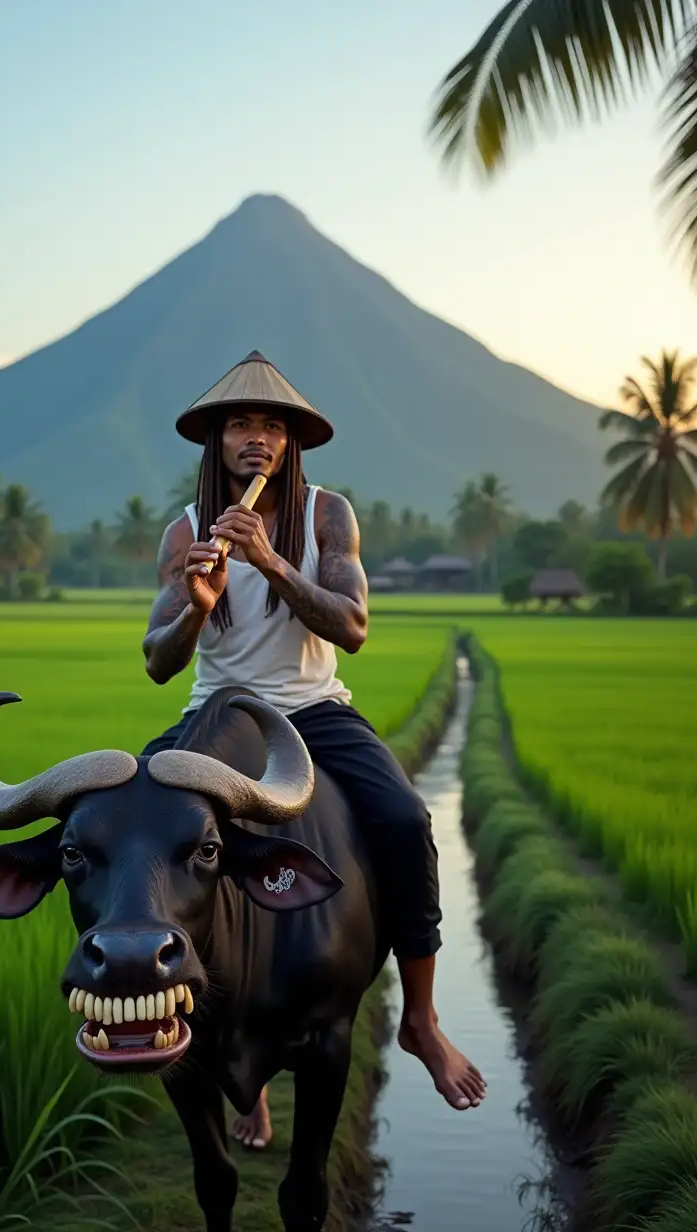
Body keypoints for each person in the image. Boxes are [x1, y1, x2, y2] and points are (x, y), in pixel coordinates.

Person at [141, 350, 486, 1150]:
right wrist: (197, 609)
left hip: (314, 710)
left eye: (272, 425)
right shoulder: (186, 530)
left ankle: (423, 1023)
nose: (256, 438)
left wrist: (266, 560)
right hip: (220, 711)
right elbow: (159, 662)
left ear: (292, 442)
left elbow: (353, 629)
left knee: (403, 822)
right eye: (240, 424)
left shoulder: (330, 514)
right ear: (217, 441)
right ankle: (223, 1053)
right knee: (140, 831)